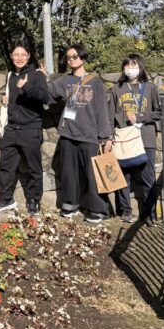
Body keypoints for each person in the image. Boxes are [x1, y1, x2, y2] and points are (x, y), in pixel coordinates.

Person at [48, 44, 114, 223]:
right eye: (68, 57)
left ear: (83, 58)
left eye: (74, 56)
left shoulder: (95, 82)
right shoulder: (64, 81)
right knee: (68, 173)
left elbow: (102, 109)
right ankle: (69, 205)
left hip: (90, 135)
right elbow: (48, 95)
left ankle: (98, 210)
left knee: (93, 175)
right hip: (68, 134)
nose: (71, 60)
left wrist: (105, 136)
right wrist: (39, 78)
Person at [0, 42, 51, 216]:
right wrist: (6, 100)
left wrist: (26, 86)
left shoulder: (37, 75)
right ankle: (6, 199)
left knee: (34, 167)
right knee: (6, 166)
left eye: (23, 54)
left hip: (30, 128)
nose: (19, 58)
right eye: (16, 55)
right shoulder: (11, 75)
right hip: (11, 128)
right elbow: (15, 100)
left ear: (29, 56)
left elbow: (45, 97)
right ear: (11, 56)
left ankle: (34, 201)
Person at [108, 54, 162, 224]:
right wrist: (109, 137)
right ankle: (126, 210)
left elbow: (159, 112)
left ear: (140, 67)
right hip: (124, 139)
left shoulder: (150, 88)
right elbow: (110, 116)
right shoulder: (117, 89)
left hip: (146, 138)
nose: (130, 69)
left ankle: (150, 213)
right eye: (127, 65)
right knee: (124, 177)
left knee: (148, 177)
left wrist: (141, 117)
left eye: (134, 65)